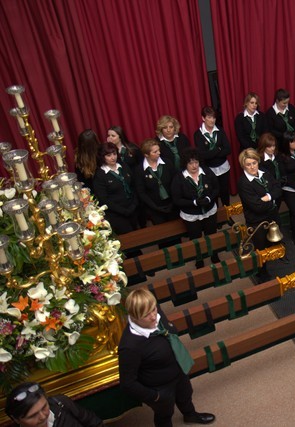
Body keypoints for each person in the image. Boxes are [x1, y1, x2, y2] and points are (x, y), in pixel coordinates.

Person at [118, 288, 215, 426]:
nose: (153, 316)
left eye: (153, 309)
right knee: (164, 414)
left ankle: (190, 415)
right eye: (146, 315)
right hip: (159, 387)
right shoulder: (129, 346)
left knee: (185, 396)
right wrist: (155, 396)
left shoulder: (156, 313)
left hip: (178, 371)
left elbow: (169, 331)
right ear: (134, 317)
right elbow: (128, 384)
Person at [237, 148, 282, 282]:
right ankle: (261, 273)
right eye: (248, 164)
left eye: (254, 163)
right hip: (257, 221)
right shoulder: (243, 182)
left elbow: (278, 189)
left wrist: (267, 197)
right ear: (243, 166)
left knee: (272, 242)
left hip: (272, 216)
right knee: (260, 249)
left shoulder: (265, 173)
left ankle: (274, 258)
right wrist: (272, 199)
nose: (252, 167)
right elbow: (256, 207)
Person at [171, 148, 220, 268]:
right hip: (191, 215)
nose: (194, 166)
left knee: (212, 235)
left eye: (196, 162)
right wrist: (194, 202)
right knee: (195, 238)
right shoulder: (179, 178)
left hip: (209, 211)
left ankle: (214, 254)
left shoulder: (207, 172)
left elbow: (216, 188)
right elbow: (177, 199)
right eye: (190, 163)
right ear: (185, 164)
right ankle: (199, 258)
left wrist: (209, 199)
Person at [5, 382, 103, 427]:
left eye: (44, 407)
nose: (43, 416)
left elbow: (95, 423)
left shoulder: (61, 403)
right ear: (16, 419)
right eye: (33, 415)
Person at [92, 142, 139, 235]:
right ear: (102, 157)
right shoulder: (100, 175)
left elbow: (133, 186)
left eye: (114, 154)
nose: (113, 157)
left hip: (132, 210)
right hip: (116, 214)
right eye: (109, 155)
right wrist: (123, 211)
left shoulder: (123, 166)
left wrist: (134, 205)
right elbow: (103, 199)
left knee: (137, 236)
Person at [193, 106, 232, 207]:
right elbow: (203, 155)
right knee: (213, 193)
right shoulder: (198, 134)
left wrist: (212, 153)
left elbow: (228, 149)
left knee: (224, 192)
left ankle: (227, 214)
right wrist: (218, 149)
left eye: (214, 118)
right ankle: (217, 215)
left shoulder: (220, 130)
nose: (212, 120)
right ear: (203, 118)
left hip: (223, 167)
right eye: (209, 117)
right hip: (209, 169)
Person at [134, 138, 177, 225]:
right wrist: (155, 208)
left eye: (158, 150)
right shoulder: (139, 170)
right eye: (155, 152)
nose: (159, 153)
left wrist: (173, 202)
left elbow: (175, 183)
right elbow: (141, 193)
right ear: (146, 155)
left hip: (172, 206)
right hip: (154, 209)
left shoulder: (167, 163)